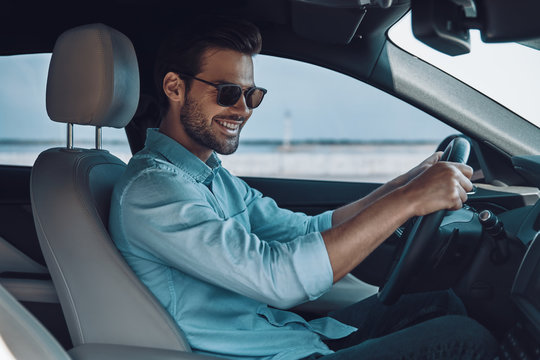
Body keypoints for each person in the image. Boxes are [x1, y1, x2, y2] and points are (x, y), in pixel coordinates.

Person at [109, 16, 497, 360]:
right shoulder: (154, 191)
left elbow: (307, 230)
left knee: (443, 303)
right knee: (462, 340)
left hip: (289, 338)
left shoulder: (210, 175)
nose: (243, 109)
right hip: (268, 353)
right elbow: (277, 280)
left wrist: (404, 183)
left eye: (252, 95)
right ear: (175, 88)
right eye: (228, 93)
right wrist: (409, 201)